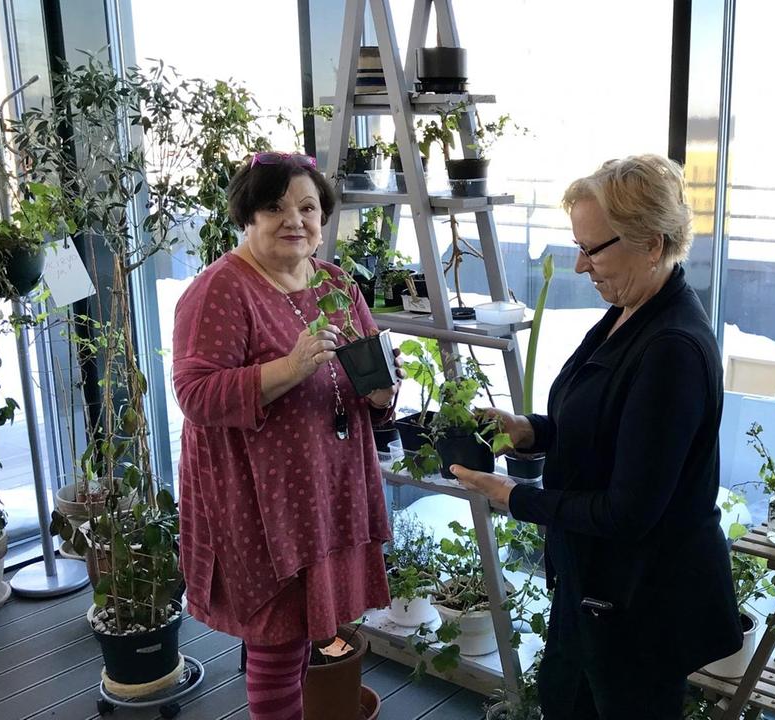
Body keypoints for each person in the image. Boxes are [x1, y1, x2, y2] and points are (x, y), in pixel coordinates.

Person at [452, 154, 741, 719]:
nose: (581, 266)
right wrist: (531, 430)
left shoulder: (671, 350)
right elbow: (607, 429)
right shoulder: (630, 312)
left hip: (640, 603)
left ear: (652, 243)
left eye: (592, 248)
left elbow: (630, 511)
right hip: (597, 586)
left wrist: (514, 497)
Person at [172, 152, 400, 720]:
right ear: (247, 216)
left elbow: (371, 370)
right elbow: (196, 395)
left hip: (324, 494)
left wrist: (381, 395)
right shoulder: (221, 289)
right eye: (275, 208)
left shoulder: (335, 284)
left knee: (305, 636)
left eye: (308, 207)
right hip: (259, 504)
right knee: (276, 641)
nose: (294, 220)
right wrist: (291, 368)